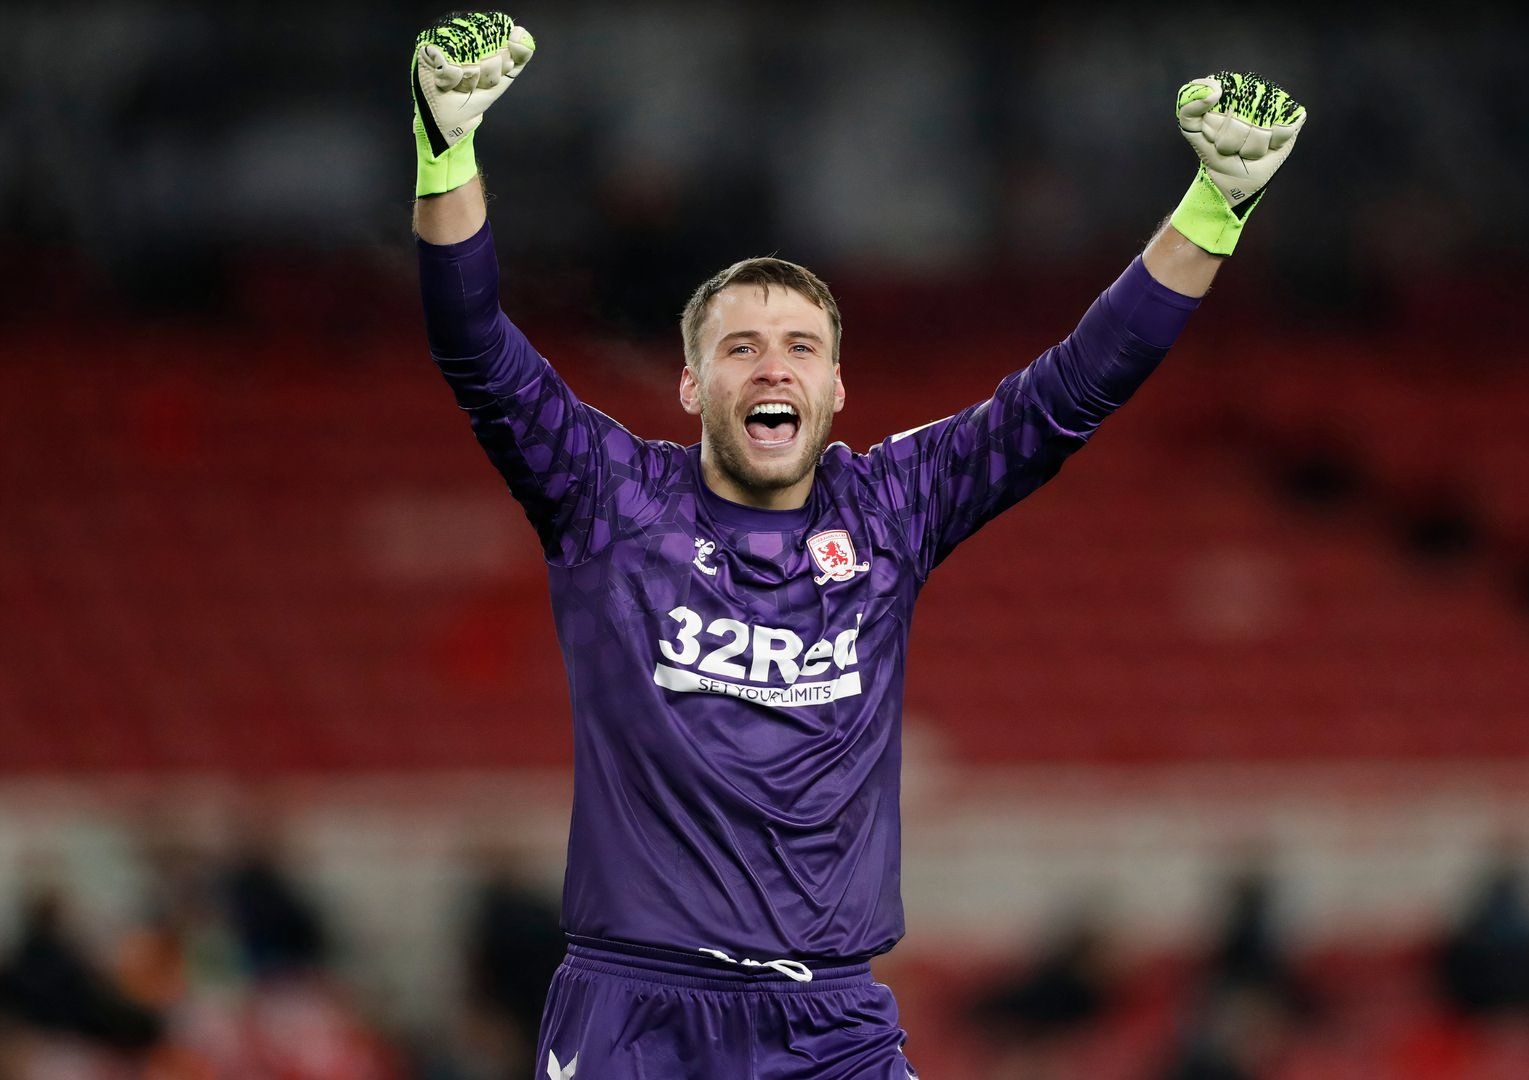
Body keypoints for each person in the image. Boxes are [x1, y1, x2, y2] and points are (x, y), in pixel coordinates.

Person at [408, 12, 1305, 1078]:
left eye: (801, 348)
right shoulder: (608, 499)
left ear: (837, 390)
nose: (773, 368)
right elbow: (477, 346)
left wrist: (1214, 205)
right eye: (740, 347)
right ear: (694, 388)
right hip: (635, 1013)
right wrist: (447, 149)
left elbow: (1072, 391)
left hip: (827, 1025)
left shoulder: (889, 509)